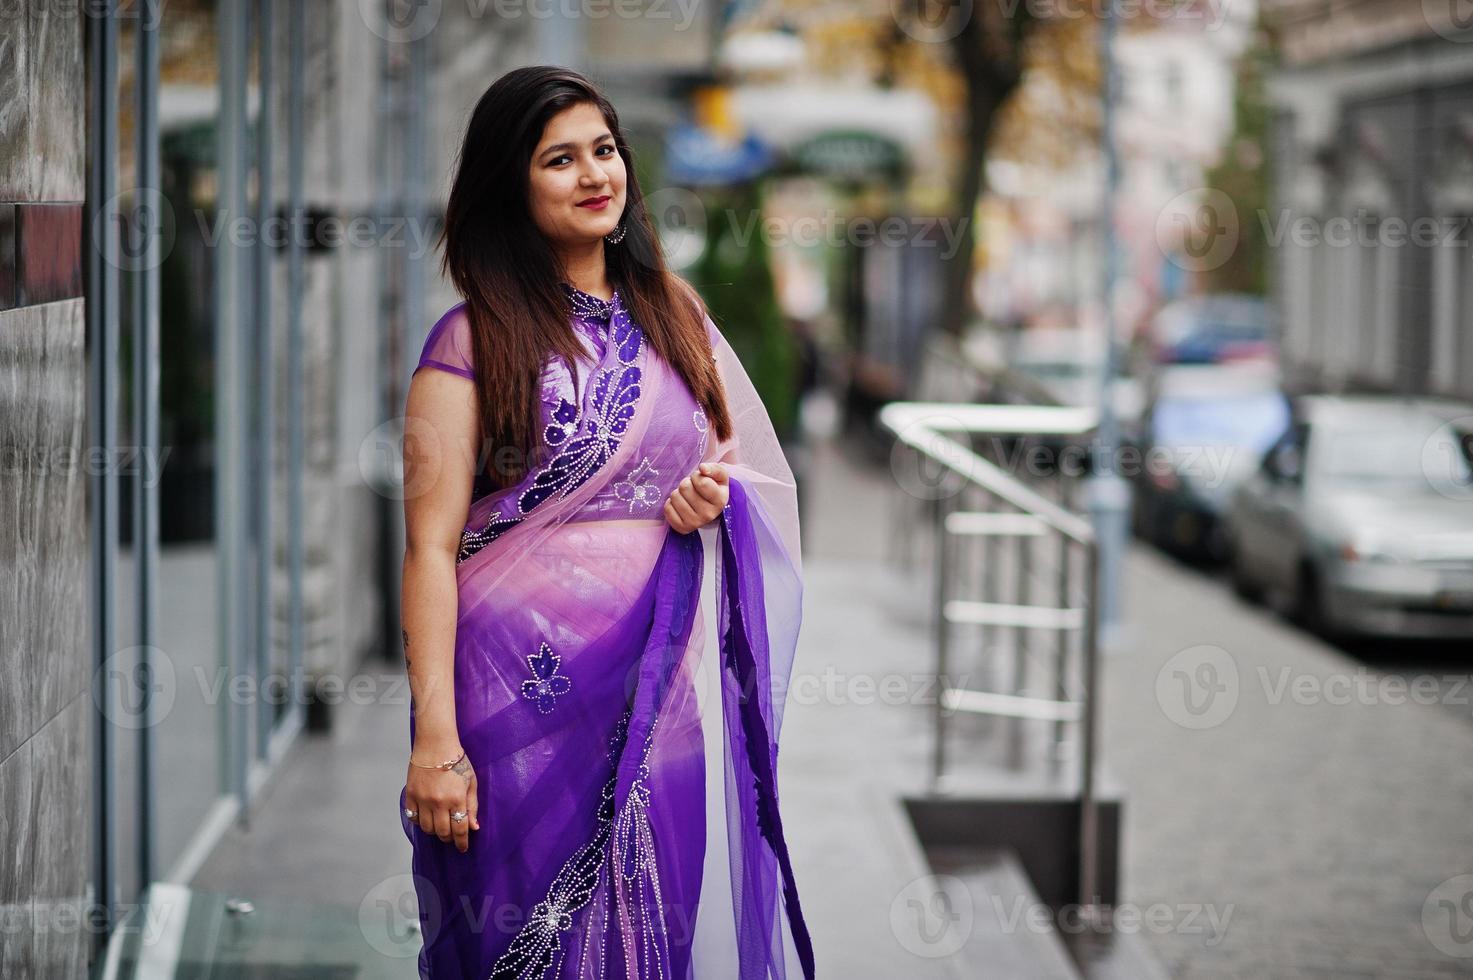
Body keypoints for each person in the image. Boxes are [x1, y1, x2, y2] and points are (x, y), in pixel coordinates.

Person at [396, 65, 815, 979]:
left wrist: (705, 501)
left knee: (647, 939)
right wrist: (435, 739)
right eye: (559, 159)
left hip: (655, 702)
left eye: (605, 150)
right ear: (512, 184)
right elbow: (428, 547)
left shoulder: (676, 313)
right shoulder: (470, 340)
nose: (595, 174)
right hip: (509, 703)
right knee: (517, 945)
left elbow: (728, 470)